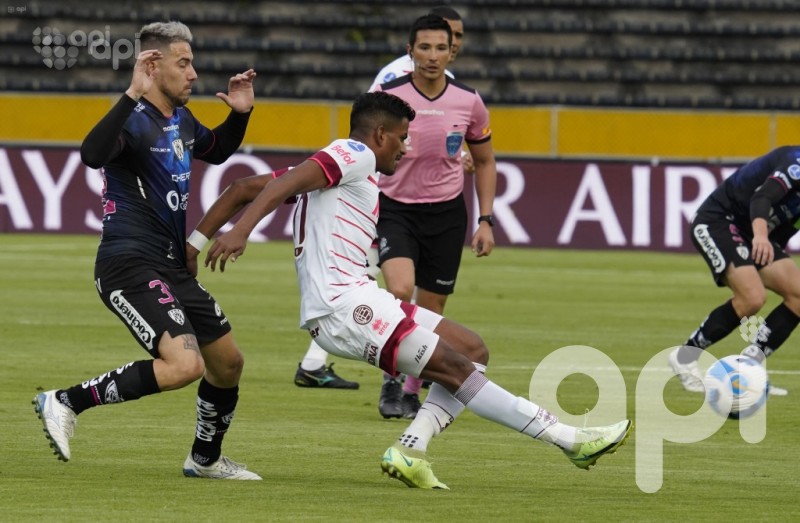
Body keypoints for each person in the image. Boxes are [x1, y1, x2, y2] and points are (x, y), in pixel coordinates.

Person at [189, 91, 632, 489]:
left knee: (471, 350)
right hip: (343, 308)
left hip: (359, 297)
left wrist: (194, 248)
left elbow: (243, 187)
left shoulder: (336, 167)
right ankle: (569, 439)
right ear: (379, 134)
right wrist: (239, 233)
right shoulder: (355, 153)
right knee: (457, 370)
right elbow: (273, 189)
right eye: (401, 137)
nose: (406, 146)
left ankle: (410, 448)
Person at [31, 21, 261, 480]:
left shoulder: (182, 120)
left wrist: (240, 114)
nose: (194, 73)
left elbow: (218, 151)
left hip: (170, 264)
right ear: (153, 67)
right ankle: (64, 401)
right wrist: (131, 92)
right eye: (183, 63)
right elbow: (93, 153)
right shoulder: (133, 121)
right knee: (184, 365)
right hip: (128, 263)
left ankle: (205, 459)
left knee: (228, 363)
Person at [291, 6, 470, 393]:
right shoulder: (394, 77)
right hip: (384, 196)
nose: (449, 46)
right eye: (443, 38)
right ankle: (390, 373)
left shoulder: (450, 82)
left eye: (454, 38)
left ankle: (315, 362)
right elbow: (372, 128)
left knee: (363, 277)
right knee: (380, 283)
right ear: (415, 47)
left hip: (415, 198)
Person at [368, 14, 497, 419]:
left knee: (433, 308)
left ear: (451, 51)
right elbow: (363, 149)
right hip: (395, 209)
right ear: (410, 51)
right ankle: (390, 382)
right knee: (400, 291)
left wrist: (486, 220)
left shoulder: (468, 100)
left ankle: (411, 390)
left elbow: (486, 161)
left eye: (441, 48)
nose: (433, 55)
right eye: (424, 47)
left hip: (445, 214)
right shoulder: (389, 97)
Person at [668, 146, 800, 396]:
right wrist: (761, 237)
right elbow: (762, 198)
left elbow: (786, 230)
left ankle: (748, 369)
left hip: (753, 233)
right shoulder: (796, 163)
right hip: (718, 220)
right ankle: (684, 358)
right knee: (752, 298)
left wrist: (765, 245)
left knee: (798, 293)